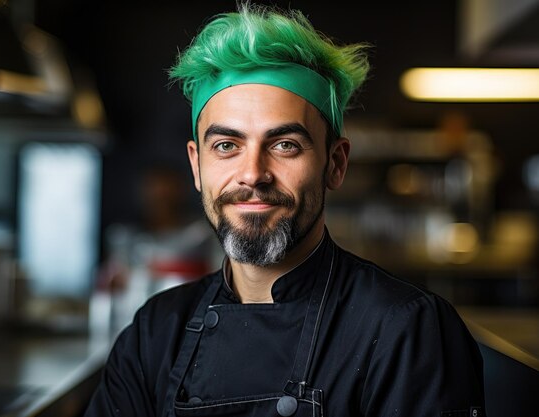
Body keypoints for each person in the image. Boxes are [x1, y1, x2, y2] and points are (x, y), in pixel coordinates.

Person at [84, 3, 485, 417]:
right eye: (226, 146)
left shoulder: (406, 329)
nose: (253, 174)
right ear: (196, 165)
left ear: (335, 163)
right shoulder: (154, 333)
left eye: (284, 145)